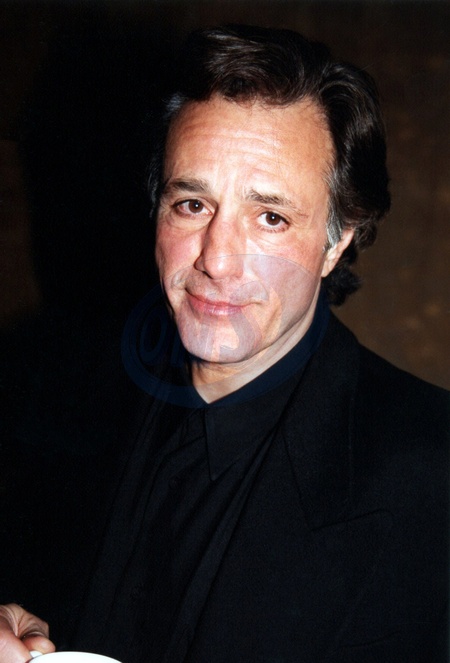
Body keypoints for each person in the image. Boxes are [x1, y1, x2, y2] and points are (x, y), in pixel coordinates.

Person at [1, 24, 448, 663]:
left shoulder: (431, 473)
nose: (216, 259)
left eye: (270, 217)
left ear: (337, 240)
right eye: (192, 204)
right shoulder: (50, 398)